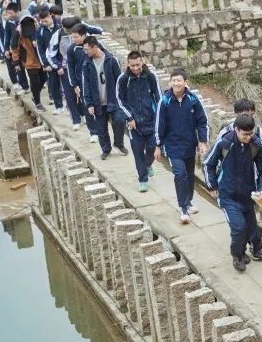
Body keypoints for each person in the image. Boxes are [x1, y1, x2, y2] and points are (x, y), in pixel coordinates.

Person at [203, 113, 262, 271]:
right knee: (239, 227)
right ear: (236, 130)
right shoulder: (225, 143)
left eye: (251, 133)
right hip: (228, 195)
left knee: (251, 228)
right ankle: (238, 256)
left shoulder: (256, 145)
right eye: (244, 134)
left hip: (248, 195)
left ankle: (255, 248)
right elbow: (208, 164)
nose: (248, 137)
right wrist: (212, 186)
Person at [155, 69, 209, 222]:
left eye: (179, 80)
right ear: (170, 82)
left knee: (190, 175)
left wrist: (202, 141)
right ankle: (183, 208)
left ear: (185, 83)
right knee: (180, 175)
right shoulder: (165, 101)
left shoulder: (192, 99)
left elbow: (202, 121)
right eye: (174, 80)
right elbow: (159, 125)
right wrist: (157, 145)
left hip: (189, 145)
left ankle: (189, 201)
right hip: (172, 147)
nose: (176, 83)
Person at [116, 51, 161, 192]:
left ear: (142, 62)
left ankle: (148, 165)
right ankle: (143, 180)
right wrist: (129, 118)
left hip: (151, 121)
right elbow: (119, 100)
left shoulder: (151, 77)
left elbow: (158, 97)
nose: (135, 68)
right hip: (133, 124)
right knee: (137, 152)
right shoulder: (123, 79)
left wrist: (160, 118)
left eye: (137, 64)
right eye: (132, 65)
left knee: (152, 148)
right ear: (128, 64)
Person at [81, 36, 127, 160]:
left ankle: (119, 143)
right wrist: (89, 104)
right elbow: (86, 85)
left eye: (87, 49)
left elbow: (120, 81)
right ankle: (106, 149)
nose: (85, 52)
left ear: (94, 47)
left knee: (120, 120)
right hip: (97, 102)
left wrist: (122, 98)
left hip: (113, 100)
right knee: (101, 128)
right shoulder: (86, 64)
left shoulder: (111, 60)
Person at [214, 97, 262, 180]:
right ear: (236, 113)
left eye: (251, 115)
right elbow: (216, 153)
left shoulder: (257, 130)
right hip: (228, 176)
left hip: (250, 175)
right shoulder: (226, 130)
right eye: (245, 114)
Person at [10, 15, 46, 110]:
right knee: (34, 81)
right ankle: (37, 103)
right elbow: (14, 48)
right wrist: (16, 62)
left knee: (43, 78)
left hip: (40, 59)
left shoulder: (37, 27)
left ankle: (35, 95)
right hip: (29, 60)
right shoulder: (18, 32)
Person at [36, 8, 64, 114]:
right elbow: (40, 49)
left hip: (62, 59)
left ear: (50, 16)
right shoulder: (40, 30)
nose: (44, 23)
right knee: (54, 84)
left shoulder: (60, 25)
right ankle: (58, 106)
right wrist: (45, 64)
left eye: (45, 21)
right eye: (42, 21)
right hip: (50, 62)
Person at [3, 2, 29, 93]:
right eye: (8, 13)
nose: (9, 15)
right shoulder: (9, 22)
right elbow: (7, 36)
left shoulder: (24, 19)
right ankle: (25, 86)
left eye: (11, 13)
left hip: (26, 47)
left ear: (16, 11)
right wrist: (6, 49)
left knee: (30, 66)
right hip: (15, 48)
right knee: (19, 68)